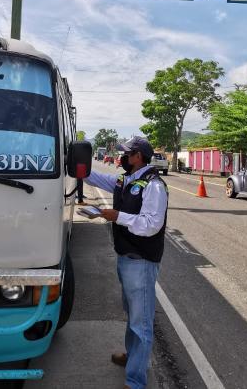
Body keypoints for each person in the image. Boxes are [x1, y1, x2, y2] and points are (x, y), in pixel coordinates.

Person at [84, 136, 168, 389]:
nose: (121, 157)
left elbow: (151, 225)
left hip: (141, 262)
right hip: (125, 259)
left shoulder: (154, 185)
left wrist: (117, 216)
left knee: (141, 325)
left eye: (126, 154)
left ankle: (135, 382)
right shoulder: (126, 180)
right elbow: (94, 178)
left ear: (138, 156)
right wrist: (76, 163)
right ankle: (132, 358)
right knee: (132, 315)